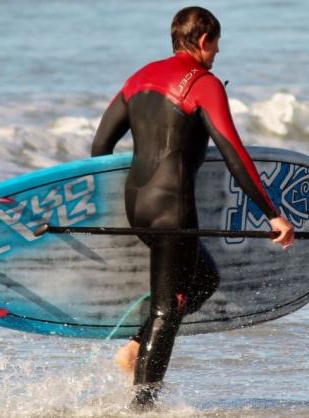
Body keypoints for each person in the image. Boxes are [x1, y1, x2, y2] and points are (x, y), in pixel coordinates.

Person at [90, 6, 294, 409]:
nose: (217, 54)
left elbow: (100, 148)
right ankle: (142, 407)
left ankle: (134, 347)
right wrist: (271, 214)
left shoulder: (138, 77)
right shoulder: (203, 83)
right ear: (204, 41)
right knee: (171, 307)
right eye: (216, 45)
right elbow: (233, 153)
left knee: (202, 280)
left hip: (138, 207)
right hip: (173, 212)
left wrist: (110, 202)